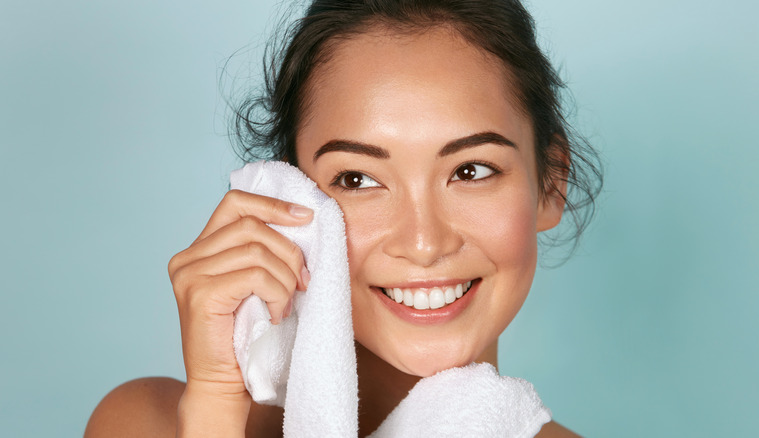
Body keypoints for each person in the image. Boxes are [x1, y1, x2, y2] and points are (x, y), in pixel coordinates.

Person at [86, 0, 602, 436]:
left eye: (471, 170)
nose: (424, 243)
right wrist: (215, 405)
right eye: (358, 179)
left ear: (549, 184)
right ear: (294, 201)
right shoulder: (144, 423)